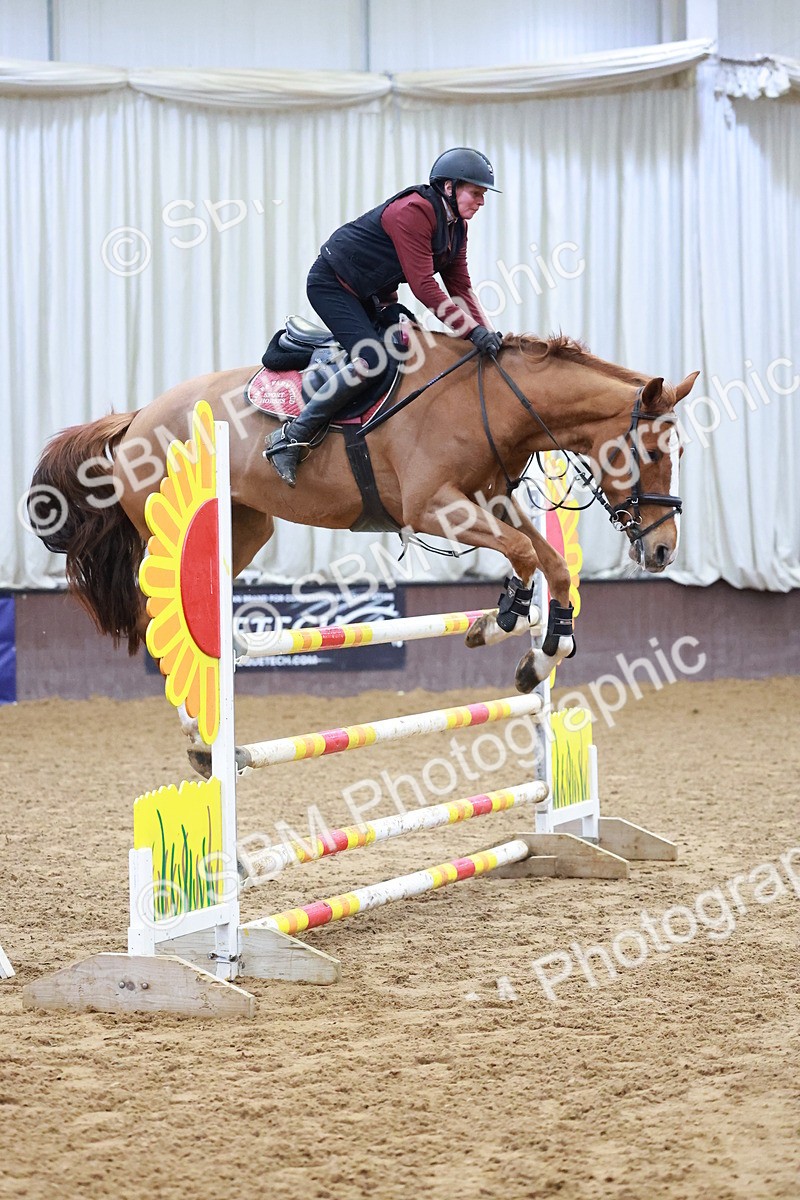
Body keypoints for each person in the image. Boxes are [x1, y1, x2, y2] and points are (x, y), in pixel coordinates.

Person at [264, 146, 504, 487]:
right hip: (332, 284)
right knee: (370, 359)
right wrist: (471, 332)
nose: (481, 202)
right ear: (449, 187)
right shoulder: (414, 212)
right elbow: (423, 286)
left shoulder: (456, 229)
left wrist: (487, 333)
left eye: (483, 196)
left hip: (370, 293)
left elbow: (461, 288)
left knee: (410, 349)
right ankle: (289, 438)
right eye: (476, 193)